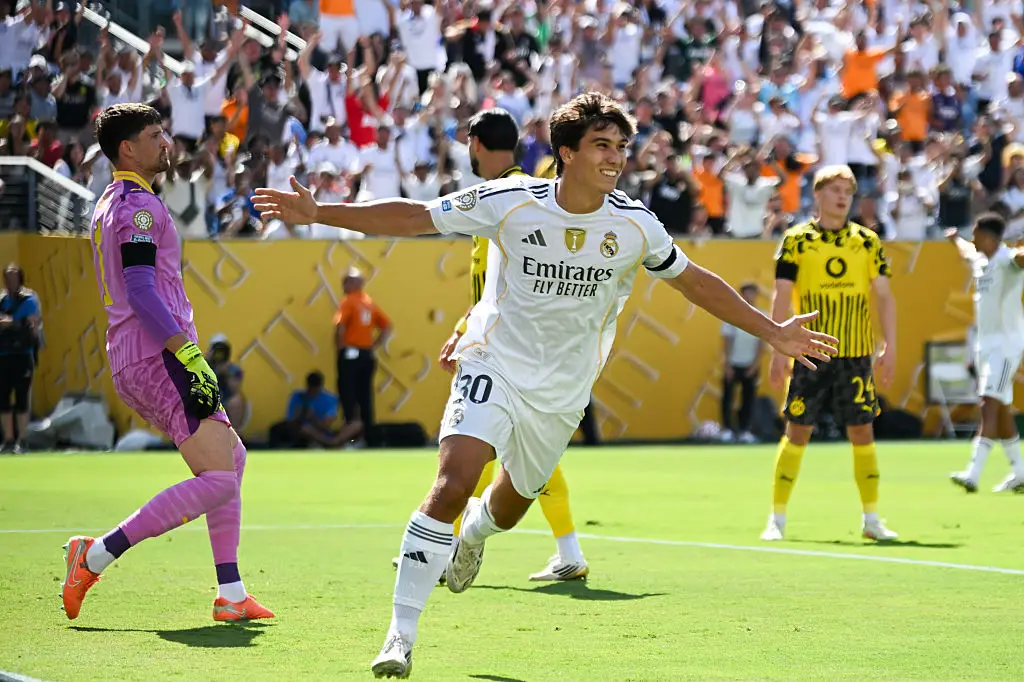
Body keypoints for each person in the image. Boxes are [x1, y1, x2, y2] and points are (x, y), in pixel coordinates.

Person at [253, 92, 836, 679]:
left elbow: (696, 284)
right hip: (493, 362)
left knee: (507, 506)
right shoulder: (510, 200)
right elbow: (417, 217)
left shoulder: (634, 224)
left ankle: (475, 537)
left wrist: (772, 332)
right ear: (566, 153)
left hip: (563, 390)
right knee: (452, 484)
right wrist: (321, 212)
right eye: (602, 146)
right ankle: (399, 636)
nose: (616, 158)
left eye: (622, 147)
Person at [63, 103, 273, 623]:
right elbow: (138, 288)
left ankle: (231, 592)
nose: (166, 142)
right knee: (221, 477)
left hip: (137, 354)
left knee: (232, 460)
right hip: (157, 353)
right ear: (127, 149)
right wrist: (184, 349)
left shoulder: (114, 202)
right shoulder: (139, 207)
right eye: (155, 135)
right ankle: (92, 557)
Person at [436, 107, 590, 583]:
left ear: (475, 144)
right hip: (509, 344)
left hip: (514, 349)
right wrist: (465, 326)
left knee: (491, 451)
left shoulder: (509, 196)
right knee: (503, 453)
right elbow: (497, 285)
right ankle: (561, 550)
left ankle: (448, 544)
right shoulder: (523, 193)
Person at [764, 165, 898, 543]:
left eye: (848, 191)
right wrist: (777, 345)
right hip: (809, 351)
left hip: (855, 353)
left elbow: (885, 297)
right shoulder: (796, 240)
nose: (842, 197)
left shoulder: (868, 241)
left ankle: (872, 519)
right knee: (798, 430)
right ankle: (777, 518)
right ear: (818, 194)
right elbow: (780, 293)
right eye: (835, 190)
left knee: (862, 430)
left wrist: (890, 346)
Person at [947, 215, 1024, 493]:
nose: (973, 239)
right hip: (985, 346)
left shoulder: (1007, 260)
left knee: (988, 403)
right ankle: (1020, 472)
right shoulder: (980, 259)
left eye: (976, 235)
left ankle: (973, 473)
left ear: (990, 237)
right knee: (1001, 409)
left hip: (1005, 346)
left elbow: (1020, 259)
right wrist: (954, 239)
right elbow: (966, 251)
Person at [334, 267, 391, 447]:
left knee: (348, 394)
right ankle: (368, 437)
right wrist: (373, 345)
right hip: (367, 354)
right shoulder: (368, 302)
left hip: (351, 353)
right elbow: (387, 326)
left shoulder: (349, 302)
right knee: (365, 395)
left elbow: (340, 325)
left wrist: (340, 346)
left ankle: (350, 437)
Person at [0, 264, 40, 454]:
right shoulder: (1, 301)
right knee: (3, 398)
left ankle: (22, 440)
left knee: (22, 398)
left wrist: (12, 323)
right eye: (8, 277)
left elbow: (31, 326)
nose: (11, 281)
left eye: (14, 277)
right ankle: (8, 439)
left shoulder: (29, 300)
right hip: (4, 355)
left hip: (23, 355)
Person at [268, 371, 363, 448]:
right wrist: (300, 416)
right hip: (309, 431)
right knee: (304, 428)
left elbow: (327, 426)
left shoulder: (330, 399)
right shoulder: (297, 396)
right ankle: (329, 443)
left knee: (357, 424)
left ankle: (333, 442)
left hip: (328, 430)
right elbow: (290, 421)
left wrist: (313, 417)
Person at [720, 282, 764, 444]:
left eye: (753, 293)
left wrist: (755, 364)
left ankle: (745, 430)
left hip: (750, 365)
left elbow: (762, 342)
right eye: (747, 293)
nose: (749, 296)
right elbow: (727, 340)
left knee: (748, 398)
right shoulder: (731, 314)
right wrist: (727, 365)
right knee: (728, 398)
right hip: (733, 364)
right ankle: (727, 430)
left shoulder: (761, 315)